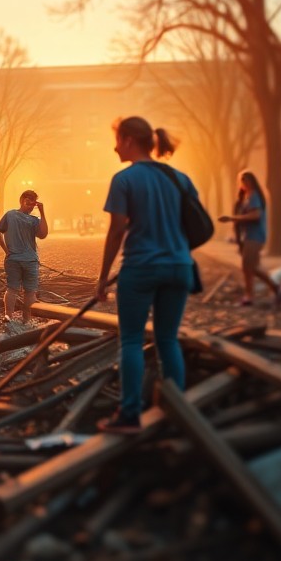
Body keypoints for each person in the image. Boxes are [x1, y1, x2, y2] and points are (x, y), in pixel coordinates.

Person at [95, 117, 197, 433]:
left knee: (131, 340)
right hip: (179, 267)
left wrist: (102, 277)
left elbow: (116, 232)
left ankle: (129, 415)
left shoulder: (124, 179)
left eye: (117, 140)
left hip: (141, 268)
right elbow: (191, 224)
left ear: (128, 140)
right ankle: (177, 412)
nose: (114, 148)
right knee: (168, 339)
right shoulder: (180, 178)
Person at [217, 171, 280, 307]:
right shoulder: (248, 197)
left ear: (252, 181)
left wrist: (232, 218)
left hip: (255, 237)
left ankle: (252, 295)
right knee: (252, 267)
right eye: (242, 181)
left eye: (246, 180)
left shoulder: (254, 196)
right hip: (250, 237)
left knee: (248, 267)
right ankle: (274, 289)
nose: (244, 183)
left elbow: (255, 215)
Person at [0, 189, 48, 324]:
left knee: (15, 289)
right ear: (23, 200)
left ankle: (15, 317)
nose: (31, 207)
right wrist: (6, 250)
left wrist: (42, 212)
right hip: (26, 260)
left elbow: (43, 234)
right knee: (26, 291)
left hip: (20, 259)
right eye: (29, 203)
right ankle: (21, 319)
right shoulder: (11, 215)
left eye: (33, 204)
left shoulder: (32, 219)